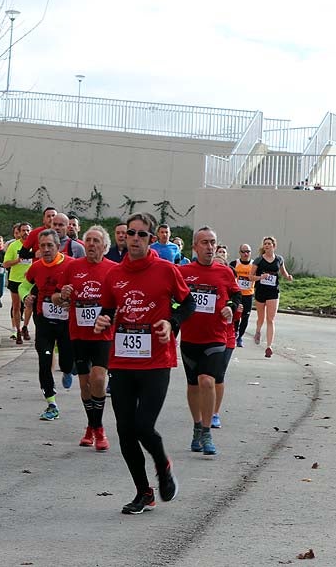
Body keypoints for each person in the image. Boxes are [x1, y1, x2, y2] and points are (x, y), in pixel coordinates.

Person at [95, 212, 195, 515]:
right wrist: (102, 319)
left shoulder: (166, 270)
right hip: (123, 361)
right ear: (124, 237)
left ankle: (163, 465)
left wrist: (172, 322)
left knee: (143, 425)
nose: (135, 238)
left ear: (151, 239)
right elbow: (109, 308)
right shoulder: (114, 274)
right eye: (131, 233)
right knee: (125, 430)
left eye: (142, 234)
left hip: (156, 361)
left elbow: (187, 303)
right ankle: (143, 492)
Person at [178, 227, 240, 456]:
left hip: (216, 337)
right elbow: (173, 300)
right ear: (195, 247)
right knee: (193, 385)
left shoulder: (224, 272)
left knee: (207, 381)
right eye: (204, 242)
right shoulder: (183, 272)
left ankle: (206, 431)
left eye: (212, 242)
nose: (209, 247)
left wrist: (230, 308)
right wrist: (176, 316)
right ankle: (196, 426)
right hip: (190, 338)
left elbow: (236, 295)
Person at [56, 225, 117, 450]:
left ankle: (98, 430)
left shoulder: (114, 269)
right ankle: (91, 427)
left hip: (103, 334)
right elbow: (57, 298)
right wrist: (62, 295)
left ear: (104, 246)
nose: (91, 244)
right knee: (84, 384)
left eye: (95, 241)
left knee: (99, 379)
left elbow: (121, 301)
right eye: (88, 240)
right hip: (78, 333)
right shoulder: (73, 267)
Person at [24, 229, 74, 420]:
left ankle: (68, 369)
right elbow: (24, 284)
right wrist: (25, 297)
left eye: (49, 245)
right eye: (42, 245)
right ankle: (51, 403)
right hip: (43, 320)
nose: (45, 249)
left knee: (66, 361)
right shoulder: (36, 267)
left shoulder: (71, 265)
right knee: (44, 360)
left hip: (66, 323)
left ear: (58, 246)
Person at [252, 236, 293, 358]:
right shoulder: (258, 260)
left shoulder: (279, 259)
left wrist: (289, 277)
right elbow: (250, 276)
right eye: (265, 244)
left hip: (273, 292)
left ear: (274, 246)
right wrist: (260, 278)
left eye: (269, 244)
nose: (267, 245)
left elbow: (284, 273)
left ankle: (269, 346)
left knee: (271, 319)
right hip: (260, 291)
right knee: (261, 318)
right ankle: (258, 331)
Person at [3, 222, 33, 344]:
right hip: (15, 280)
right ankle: (18, 330)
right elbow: (5, 264)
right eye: (23, 230)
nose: (25, 233)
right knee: (16, 306)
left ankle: (25, 327)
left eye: (28, 230)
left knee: (29, 305)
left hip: (29, 281)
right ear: (19, 232)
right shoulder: (13, 246)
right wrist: (17, 260)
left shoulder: (34, 246)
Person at [229, 245, 256, 347]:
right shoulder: (234, 264)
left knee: (245, 317)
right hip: (237, 295)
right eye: (243, 251)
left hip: (248, 295)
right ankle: (234, 333)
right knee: (236, 316)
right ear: (240, 252)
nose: (246, 254)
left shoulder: (254, 265)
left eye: (248, 251)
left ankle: (240, 336)